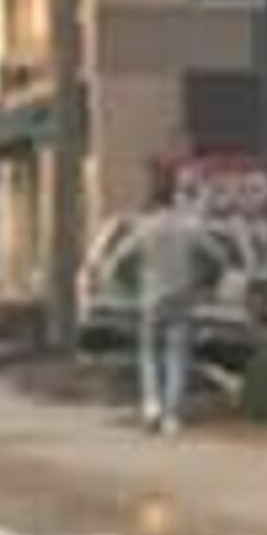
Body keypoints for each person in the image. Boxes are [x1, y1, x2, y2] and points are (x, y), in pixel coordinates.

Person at [105, 174, 223, 440]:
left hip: (151, 297)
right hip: (183, 297)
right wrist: (206, 279)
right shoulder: (189, 227)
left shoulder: (144, 228)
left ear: (153, 200)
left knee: (148, 354)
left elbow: (118, 259)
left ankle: (152, 406)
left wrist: (129, 285)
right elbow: (218, 256)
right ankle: (172, 416)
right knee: (177, 356)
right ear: (173, 199)